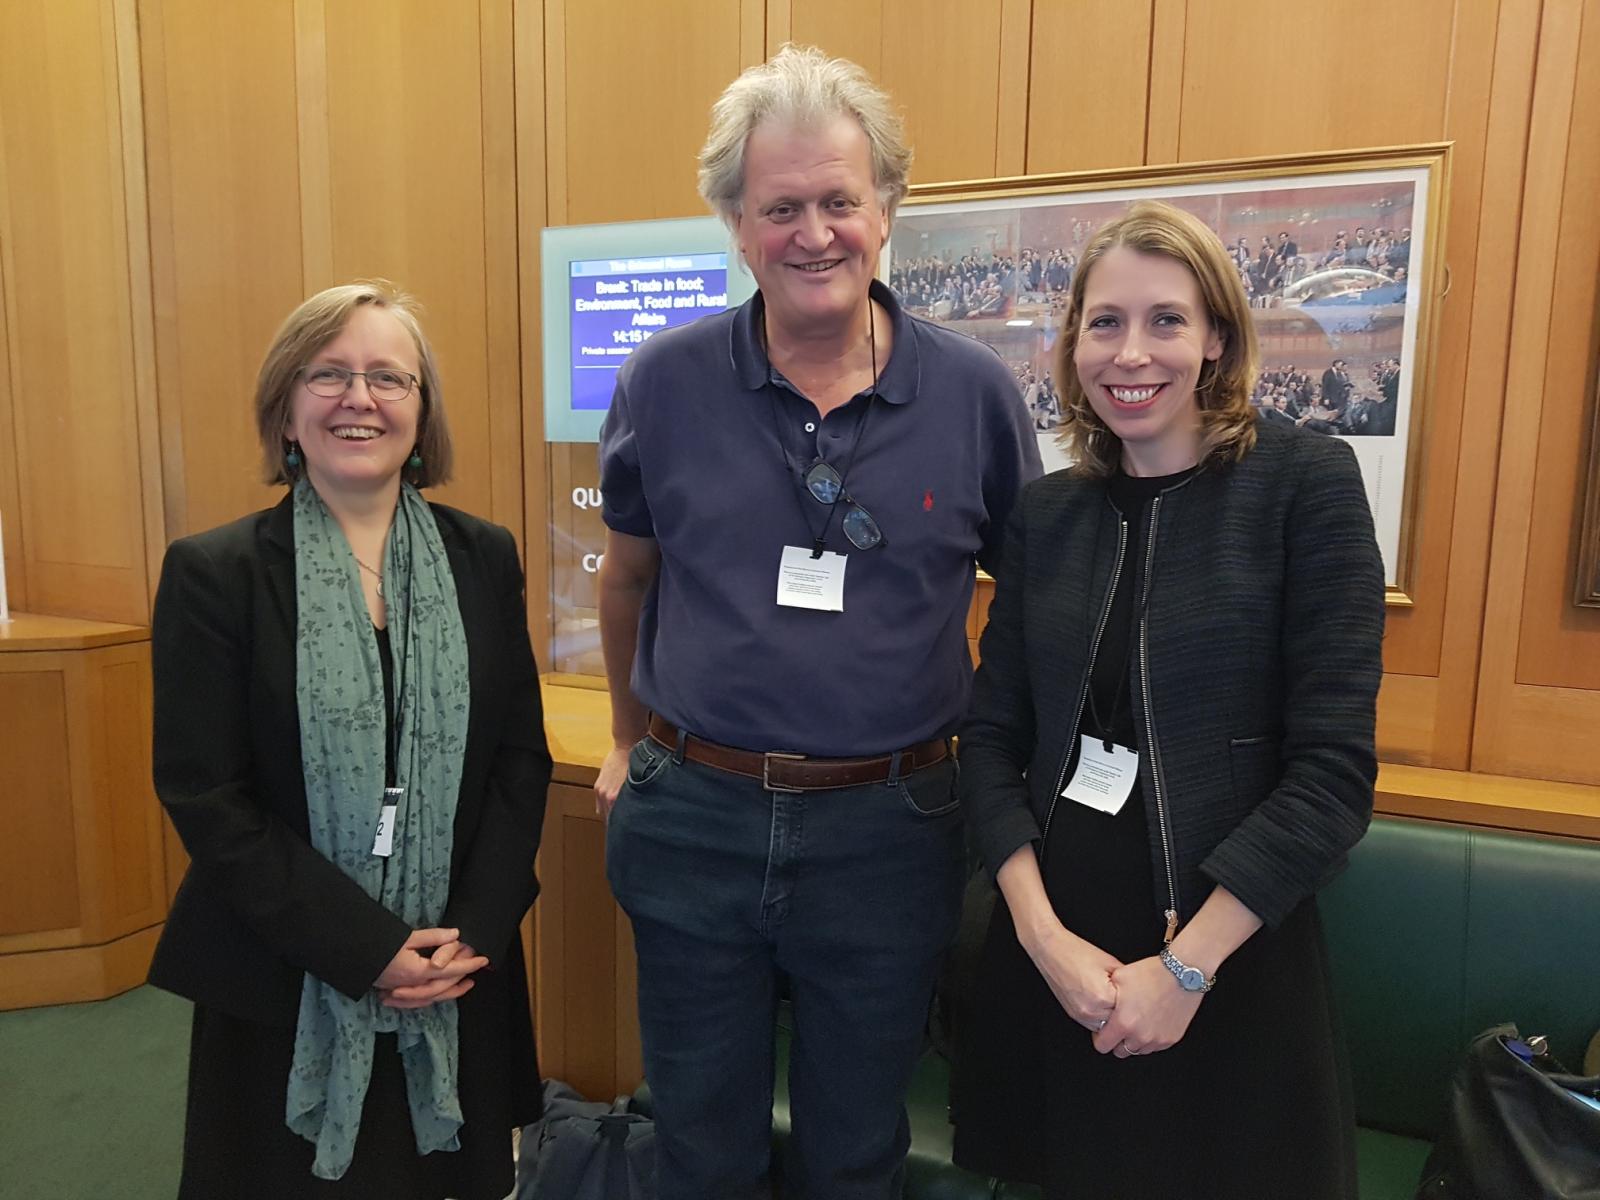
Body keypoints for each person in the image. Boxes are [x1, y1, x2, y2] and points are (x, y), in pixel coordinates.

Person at [594, 44, 1041, 1200]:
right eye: (778, 206)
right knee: (699, 1145)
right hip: (692, 816)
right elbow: (627, 579)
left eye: (838, 201)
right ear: (736, 226)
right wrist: (618, 737)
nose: (813, 233)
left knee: (855, 1151)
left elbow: (1035, 614)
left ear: (886, 211)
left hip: (889, 833)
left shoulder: (976, 396)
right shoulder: (664, 384)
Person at [951, 201, 1385, 1199]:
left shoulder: (1303, 485)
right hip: (1056, 965)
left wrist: (1182, 972)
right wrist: (1043, 939)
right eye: (1103, 322)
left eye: (1164, 320)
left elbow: (1329, 781)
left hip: (1228, 968)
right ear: (1071, 345)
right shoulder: (1048, 514)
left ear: (1217, 339)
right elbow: (989, 741)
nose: (1129, 351)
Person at [149, 280, 551, 1199]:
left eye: (387, 377)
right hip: (284, 974)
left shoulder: (481, 554)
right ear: (286, 410)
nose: (359, 399)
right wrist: (365, 948)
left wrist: (470, 938)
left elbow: (517, 763)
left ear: (422, 410)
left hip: (456, 967)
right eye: (327, 375)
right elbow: (207, 796)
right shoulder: (216, 574)